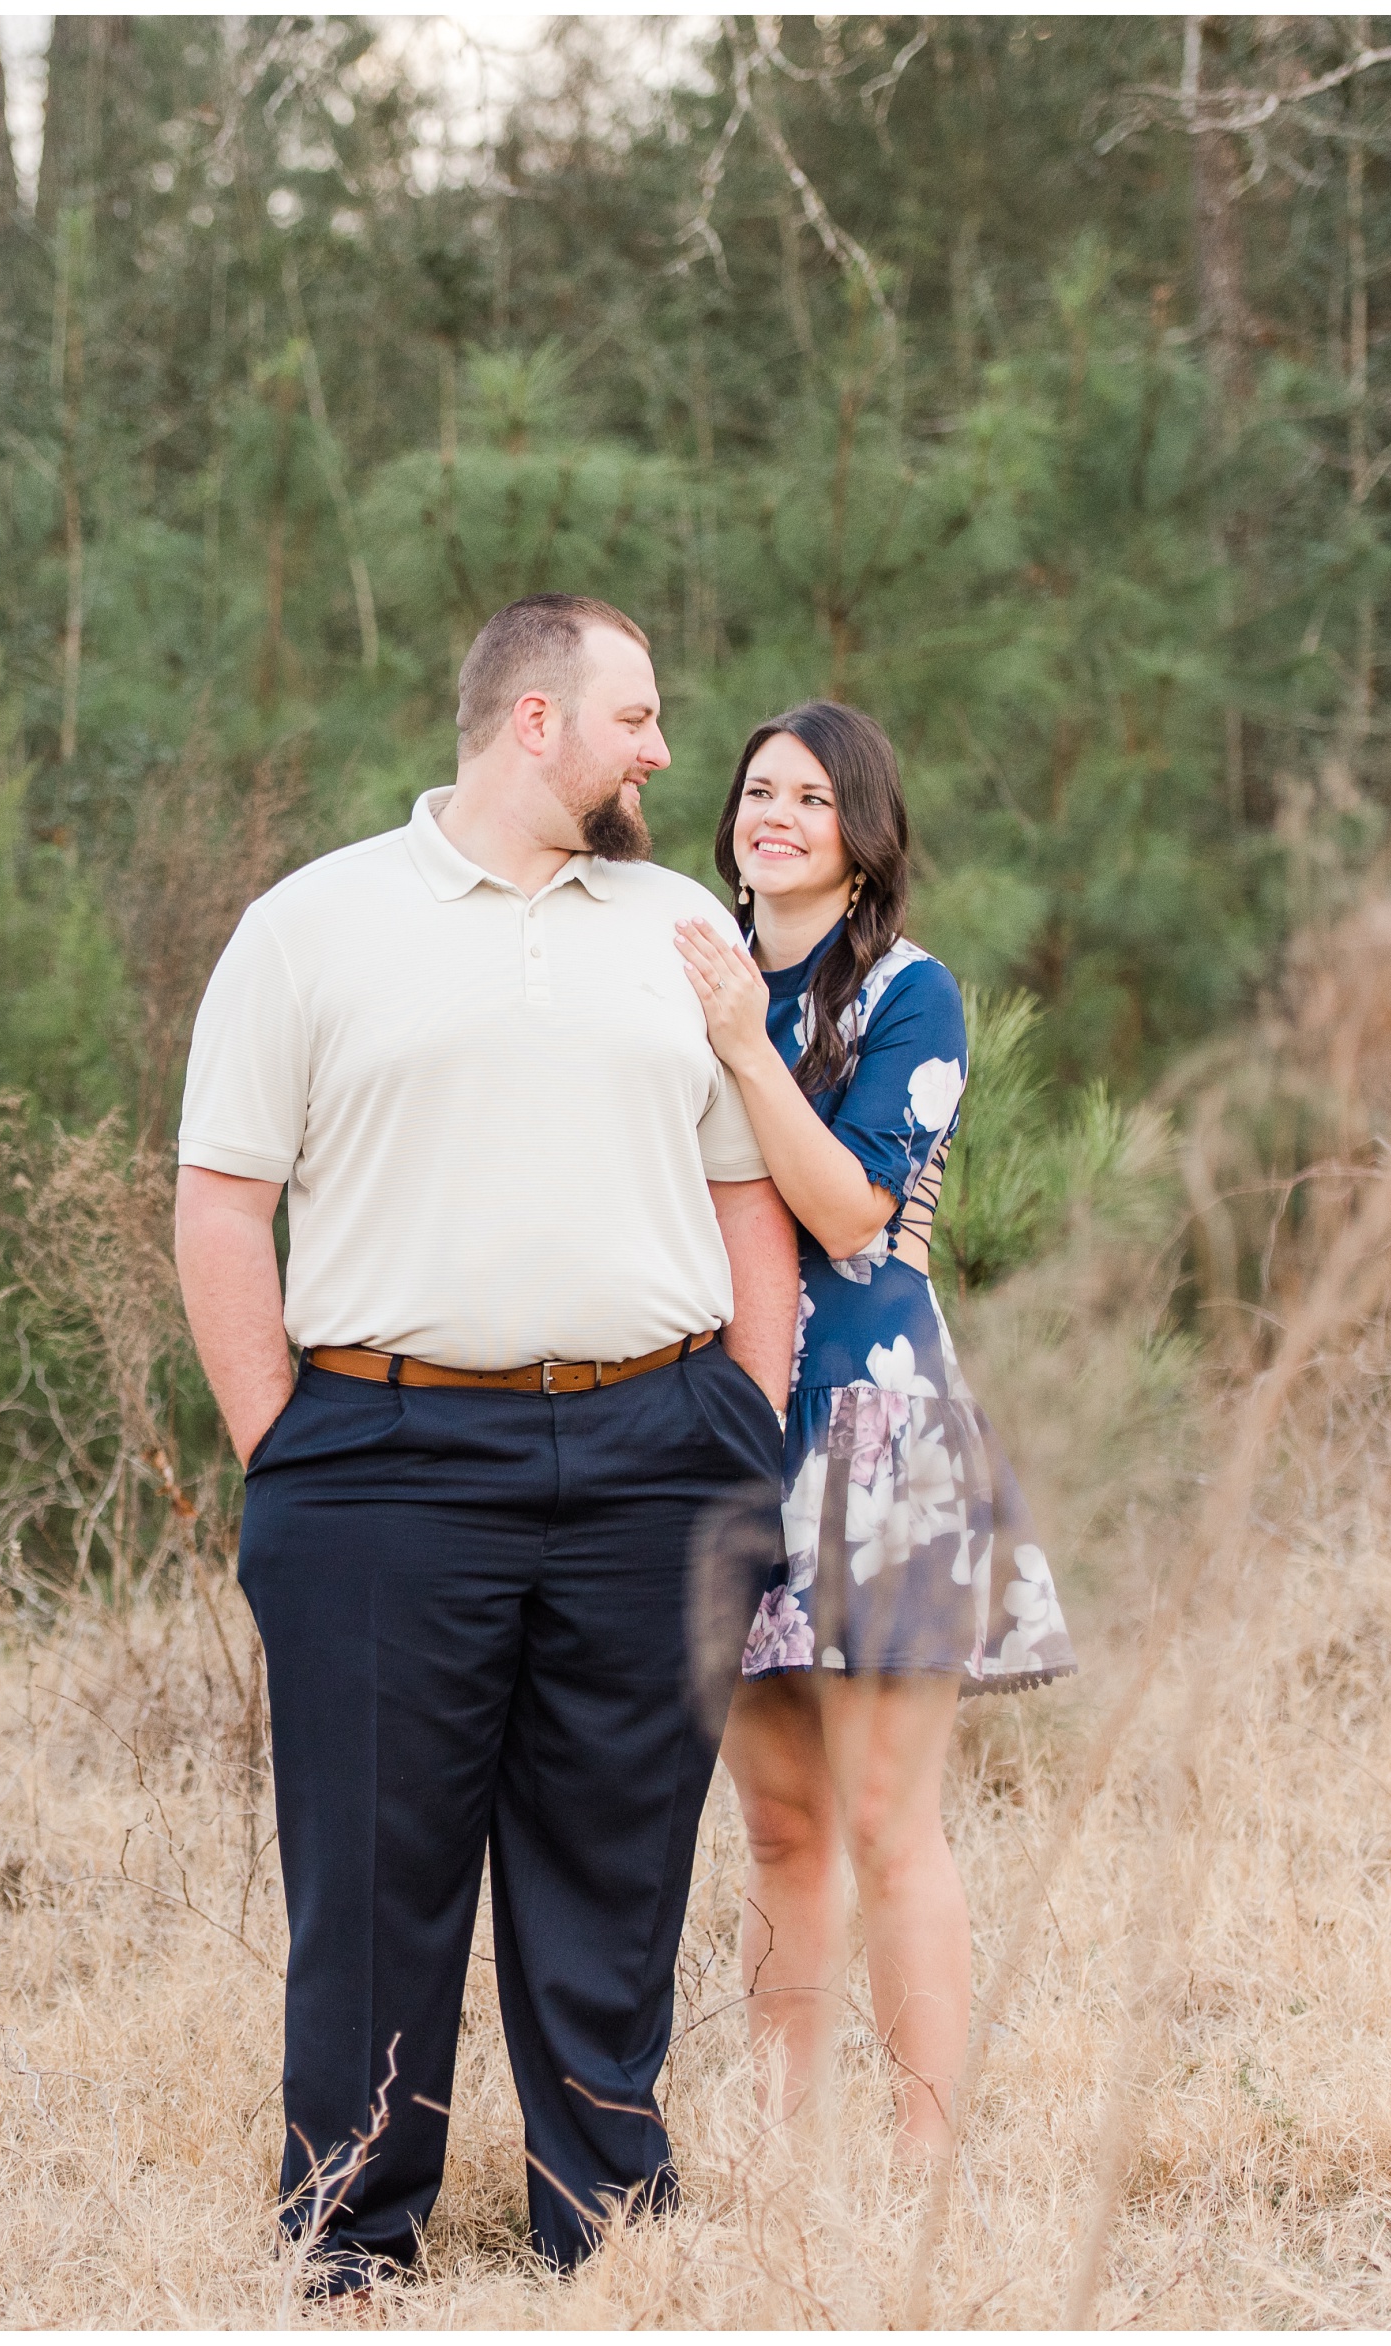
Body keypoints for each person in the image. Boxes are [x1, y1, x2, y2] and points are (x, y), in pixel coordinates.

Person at [174, 594, 799, 2293]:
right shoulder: (310, 928)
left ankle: (607, 2235)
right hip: (380, 1459)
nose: (669, 752)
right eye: (639, 717)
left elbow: (750, 1198)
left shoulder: (680, 928)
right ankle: (351, 2241)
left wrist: (739, 1427)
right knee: (376, 1868)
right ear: (536, 721)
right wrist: (280, 1448)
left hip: (658, 1452)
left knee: (618, 1858)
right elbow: (223, 1202)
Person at [669, 700, 1078, 2158]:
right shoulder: (686, 973)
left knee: (890, 1813)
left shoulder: (911, 992)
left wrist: (743, 1044)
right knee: (780, 1820)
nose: (772, 815)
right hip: (722, 1433)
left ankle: (926, 2147)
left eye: (809, 799)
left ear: (861, 836)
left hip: (873, 1436)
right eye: (756, 791)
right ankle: (790, 2136)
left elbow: (854, 1213)